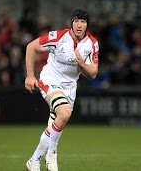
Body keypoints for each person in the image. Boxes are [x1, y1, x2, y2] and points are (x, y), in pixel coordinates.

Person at [24, 9, 99, 171]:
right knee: (64, 113)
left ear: (87, 25)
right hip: (50, 80)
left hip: (70, 88)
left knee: (55, 126)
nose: (79, 25)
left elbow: (92, 73)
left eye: (83, 22)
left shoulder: (92, 43)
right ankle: (52, 155)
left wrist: (83, 64)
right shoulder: (57, 37)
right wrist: (30, 76)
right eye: (76, 21)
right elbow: (31, 47)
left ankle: (34, 161)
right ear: (71, 23)